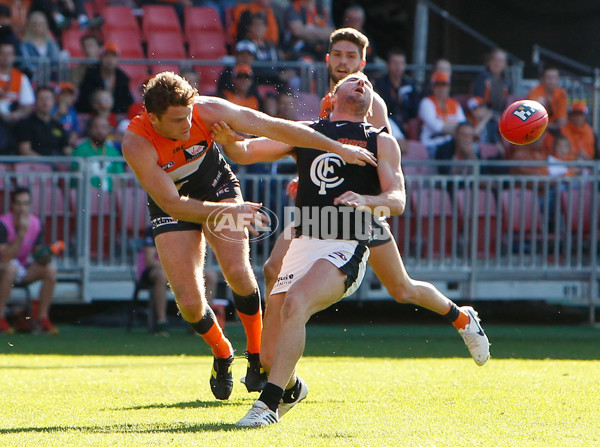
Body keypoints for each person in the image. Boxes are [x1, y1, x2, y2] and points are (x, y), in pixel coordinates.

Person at [228, 72, 488, 427]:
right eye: (352, 79)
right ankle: (290, 387)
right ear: (332, 96)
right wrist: (221, 133)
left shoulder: (380, 139)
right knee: (272, 359)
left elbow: (397, 200)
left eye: (366, 79)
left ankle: (267, 405)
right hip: (306, 236)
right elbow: (244, 151)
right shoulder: (307, 131)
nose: (362, 82)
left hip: (348, 237)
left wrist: (366, 200)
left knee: (302, 302)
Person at [120, 71, 376, 400]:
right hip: (174, 205)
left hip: (216, 185)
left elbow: (272, 126)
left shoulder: (205, 109)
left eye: (189, 116)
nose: (187, 126)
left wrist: (335, 147)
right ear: (152, 117)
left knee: (239, 274)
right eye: (177, 120)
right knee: (188, 305)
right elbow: (173, 204)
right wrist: (227, 213)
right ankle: (223, 352)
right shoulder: (136, 142)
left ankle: (255, 358)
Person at [0, 187, 59, 335]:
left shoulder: (36, 224)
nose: (22, 208)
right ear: (13, 206)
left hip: (22, 267)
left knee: (50, 270)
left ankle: (41, 318)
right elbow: (6, 257)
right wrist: (21, 234)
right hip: (4, 267)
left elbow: (38, 253)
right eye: (19, 203)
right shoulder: (3, 223)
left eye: (25, 204)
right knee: (10, 269)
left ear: (30, 206)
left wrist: (47, 255)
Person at [75, 42, 134, 115]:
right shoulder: (91, 74)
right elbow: (83, 99)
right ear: (101, 58)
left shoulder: (123, 78)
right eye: (106, 56)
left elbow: (128, 102)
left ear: (117, 59)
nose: (110, 60)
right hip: (94, 115)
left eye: (113, 56)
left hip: (115, 116)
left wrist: (110, 106)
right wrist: (98, 105)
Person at [418, 71, 466, 158]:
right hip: (432, 143)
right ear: (432, 87)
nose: (441, 88)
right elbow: (437, 127)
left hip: (453, 143)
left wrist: (451, 128)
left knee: (473, 148)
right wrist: (456, 129)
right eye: (438, 85)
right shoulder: (426, 102)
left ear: (448, 87)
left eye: (444, 85)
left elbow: (464, 126)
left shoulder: (454, 104)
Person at [15, 86, 73, 156]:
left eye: (48, 98)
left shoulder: (57, 125)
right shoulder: (26, 123)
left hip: (57, 164)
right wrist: (45, 163)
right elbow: (25, 150)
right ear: (35, 102)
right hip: (35, 165)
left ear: (54, 102)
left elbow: (66, 148)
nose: (45, 102)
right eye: (41, 99)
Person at [72, 115, 125, 192]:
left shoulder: (113, 152)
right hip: (86, 199)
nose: (100, 131)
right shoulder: (80, 151)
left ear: (108, 130)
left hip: (109, 199)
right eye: (96, 127)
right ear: (90, 129)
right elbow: (77, 178)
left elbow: (119, 179)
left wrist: (114, 199)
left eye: (104, 127)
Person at [374, 48, 420, 137]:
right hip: (386, 125)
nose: (398, 67)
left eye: (401, 63)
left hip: (407, 127)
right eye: (395, 63)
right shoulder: (379, 85)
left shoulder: (410, 85)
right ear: (388, 65)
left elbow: (414, 110)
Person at [137, 225, 169, 335]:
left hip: (175, 272)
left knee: (210, 275)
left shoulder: (184, 228)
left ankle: (202, 323)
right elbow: (150, 262)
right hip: (152, 271)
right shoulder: (153, 229)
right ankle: (161, 322)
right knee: (161, 275)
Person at [19, 11, 64, 83]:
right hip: (34, 79)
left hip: (51, 78)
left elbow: (56, 61)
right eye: (35, 24)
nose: (38, 27)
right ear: (30, 26)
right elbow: (27, 64)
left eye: (41, 24)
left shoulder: (52, 44)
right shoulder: (25, 45)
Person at [0, 43, 35, 125]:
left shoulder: (21, 77)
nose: (5, 57)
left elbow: (28, 106)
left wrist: (15, 115)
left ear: (14, 57)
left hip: (13, 122)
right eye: (2, 53)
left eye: (9, 54)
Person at [471, 48, 510, 119]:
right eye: (495, 60)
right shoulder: (482, 78)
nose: (497, 63)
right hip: (483, 116)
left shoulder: (506, 83)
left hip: (501, 117)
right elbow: (475, 102)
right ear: (489, 62)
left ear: (505, 65)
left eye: (501, 61)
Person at [528, 66, 568, 134]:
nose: (551, 81)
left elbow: (562, 121)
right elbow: (534, 120)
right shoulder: (535, 92)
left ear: (558, 79)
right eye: (549, 78)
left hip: (554, 129)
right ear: (543, 79)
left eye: (554, 78)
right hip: (535, 129)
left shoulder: (561, 94)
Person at [52, 82, 81, 147]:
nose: (66, 97)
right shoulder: (51, 109)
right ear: (57, 96)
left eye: (69, 95)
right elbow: (48, 126)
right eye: (63, 94)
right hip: (53, 140)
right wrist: (59, 114)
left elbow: (76, 130)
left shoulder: (73, 111)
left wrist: (69, 144)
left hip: (67, 142)